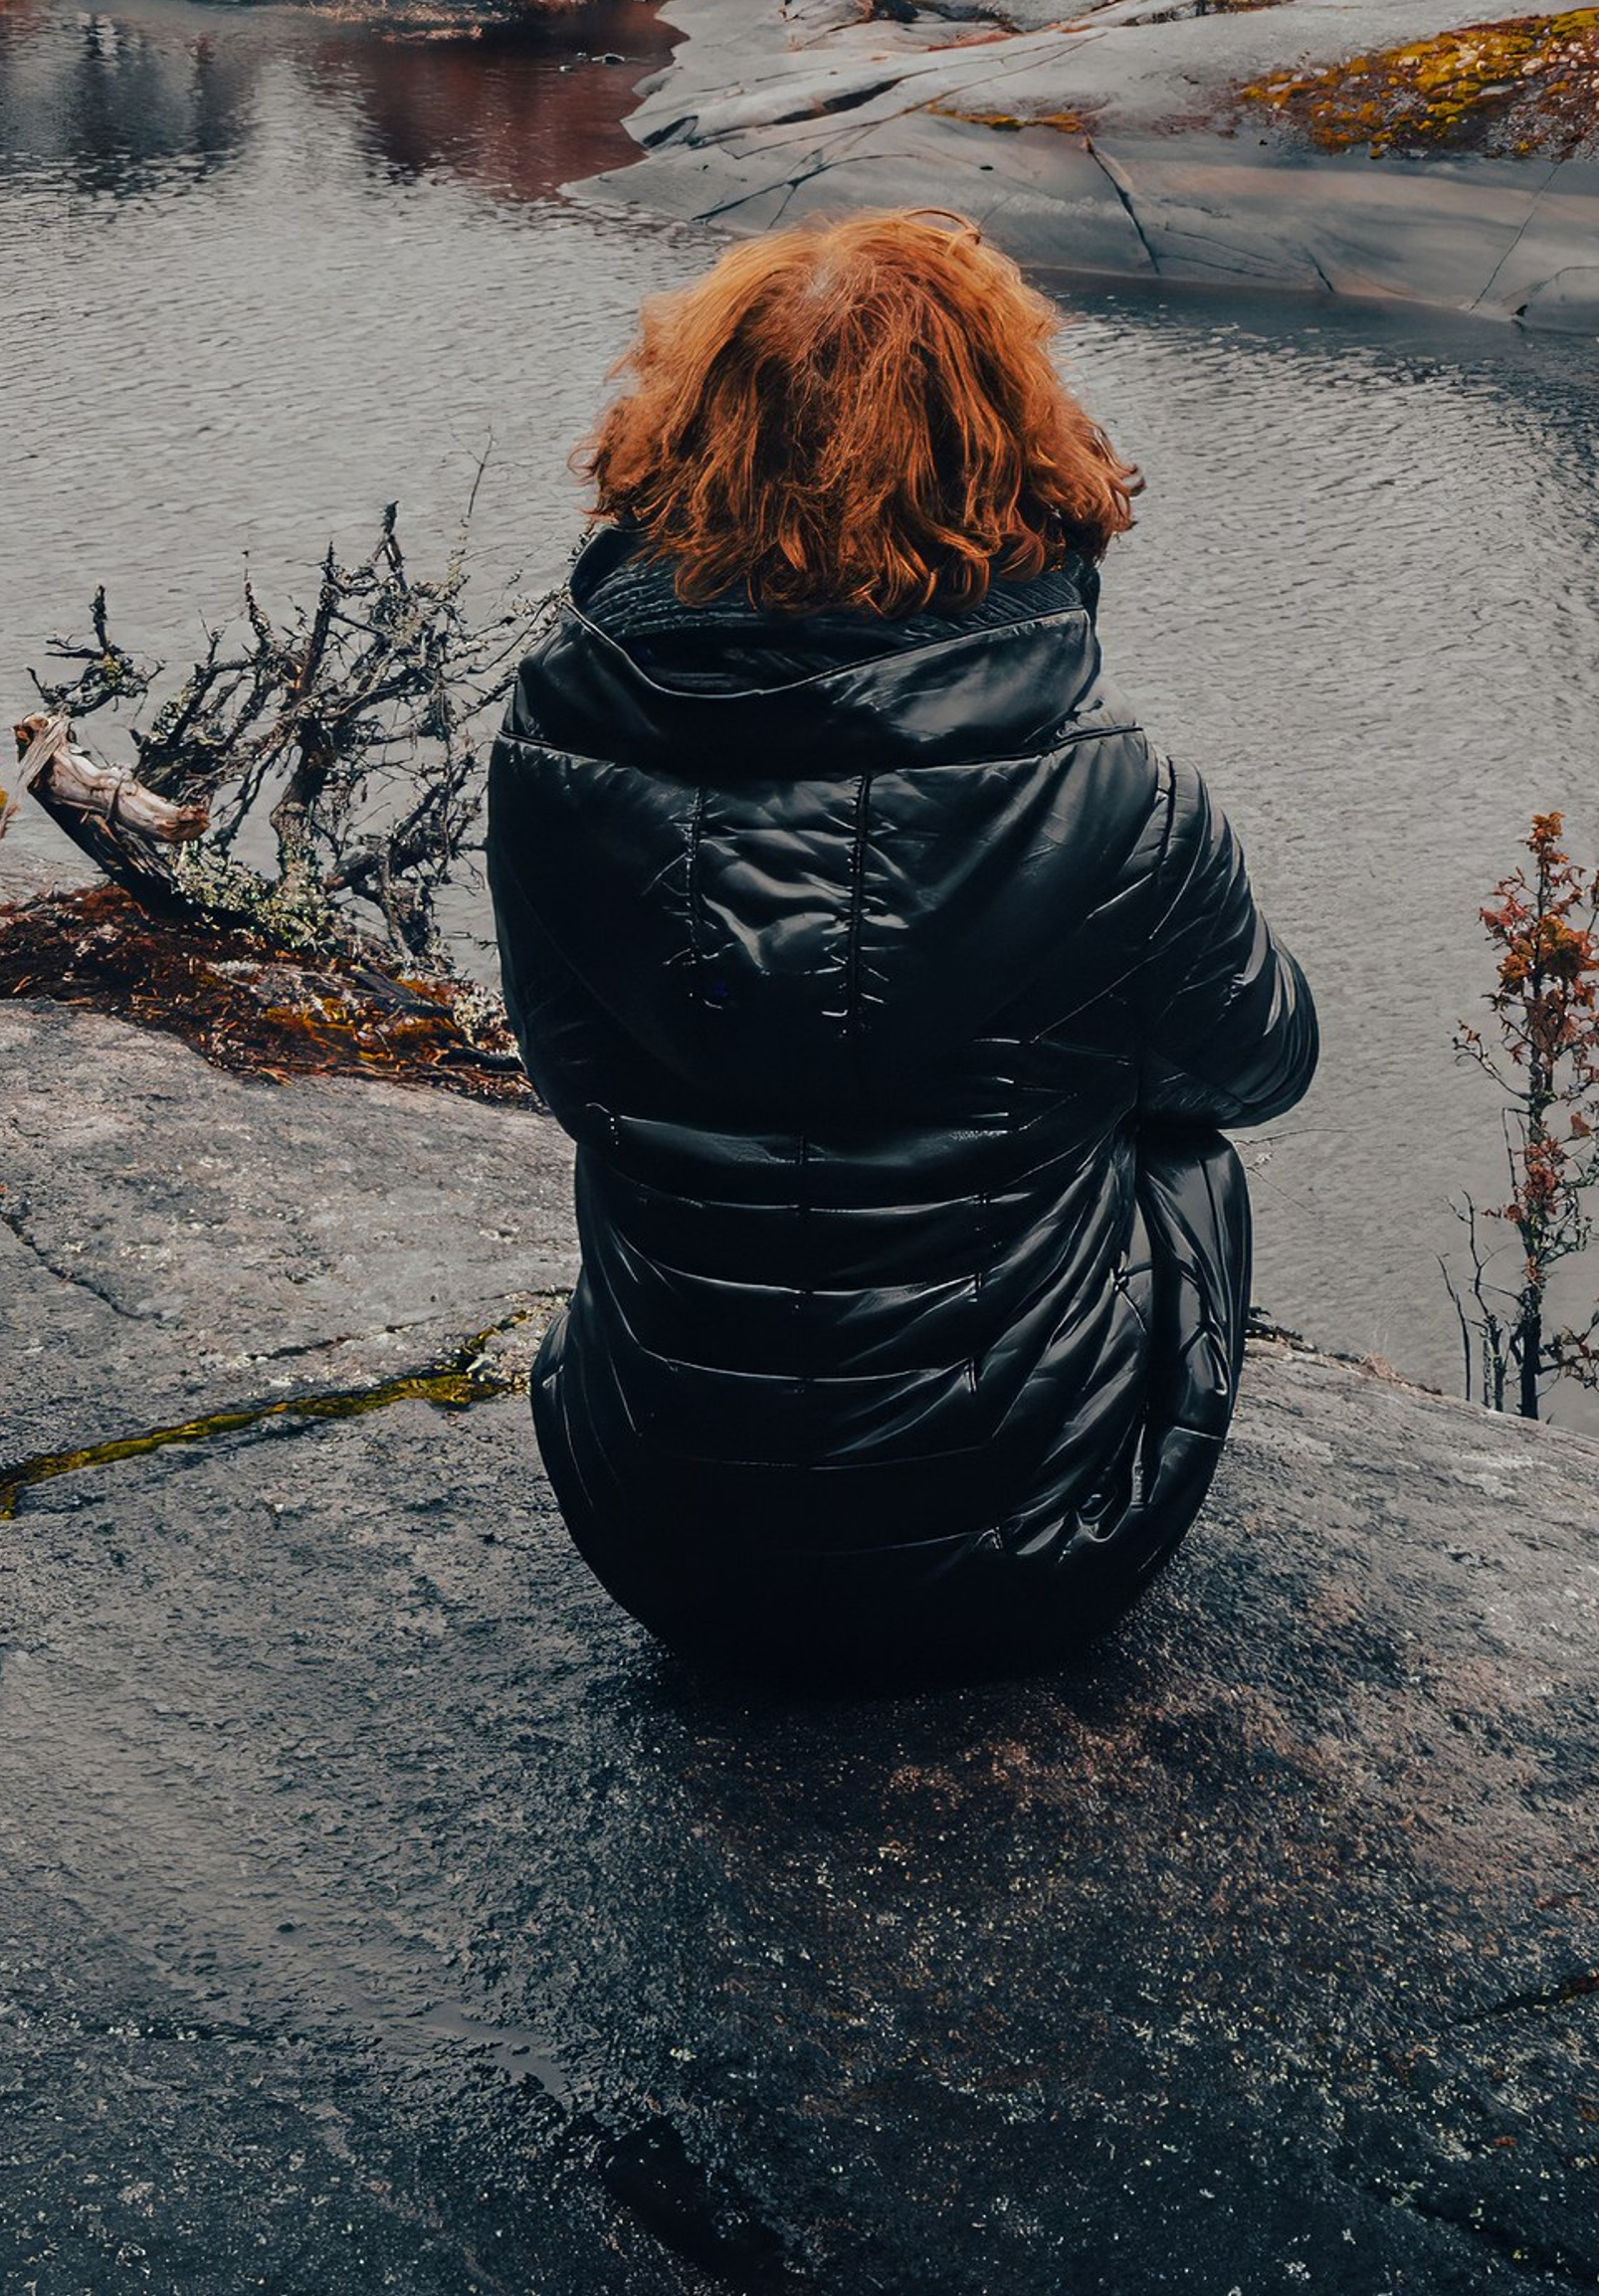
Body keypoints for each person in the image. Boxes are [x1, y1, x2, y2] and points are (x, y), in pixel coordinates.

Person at [487, 207, 1316, 1692]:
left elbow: (563, 1072)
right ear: (1010, 449)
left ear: (683, 446)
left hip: (656, 1533)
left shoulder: (551, 758)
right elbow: (1260, 1067)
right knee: (1184, 1145)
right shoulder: (1121, 798)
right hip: (1036, 1556)